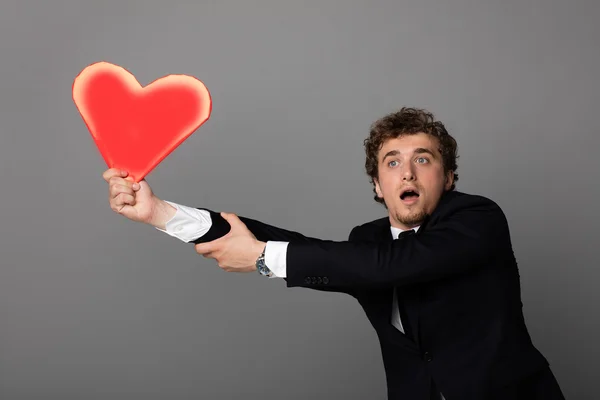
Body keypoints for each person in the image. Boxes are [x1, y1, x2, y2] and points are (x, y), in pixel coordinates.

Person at [103, 108, 565, 399]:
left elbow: (395, 266)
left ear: (447, 179)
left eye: (423, 159)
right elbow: (296, 245)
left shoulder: (478, 218)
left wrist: (263, 257)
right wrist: (160, 213)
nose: (407, 171)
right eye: (392, 162)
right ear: (378, 186)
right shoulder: (368, 239)